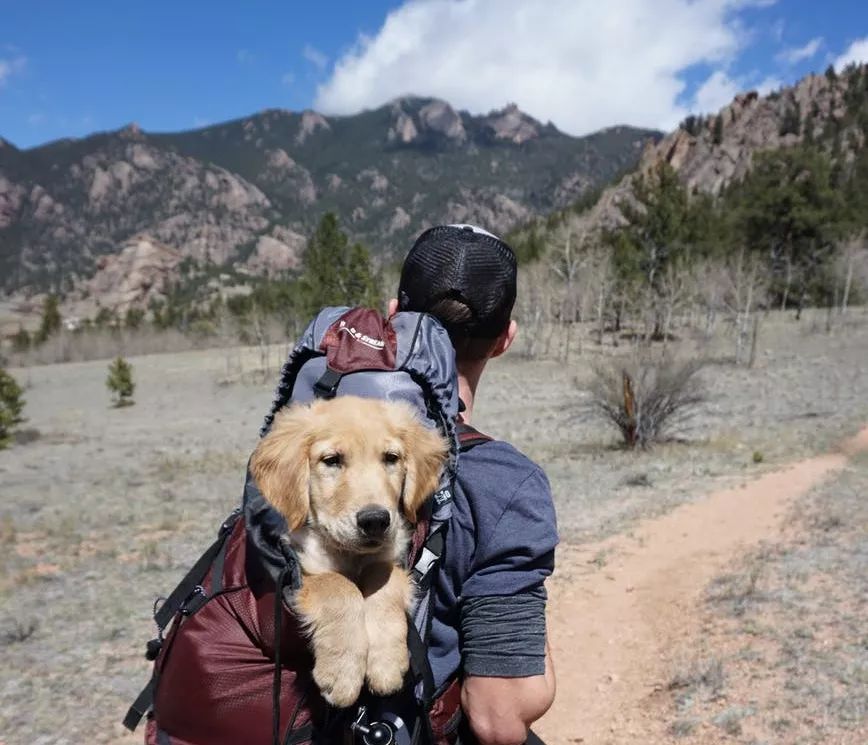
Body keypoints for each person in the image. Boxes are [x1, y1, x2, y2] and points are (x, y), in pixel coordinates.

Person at [391, 224, 558, 745]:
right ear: (505, 339)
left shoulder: (308, 436)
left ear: (393, 317)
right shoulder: (505, 485)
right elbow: (496, 719)